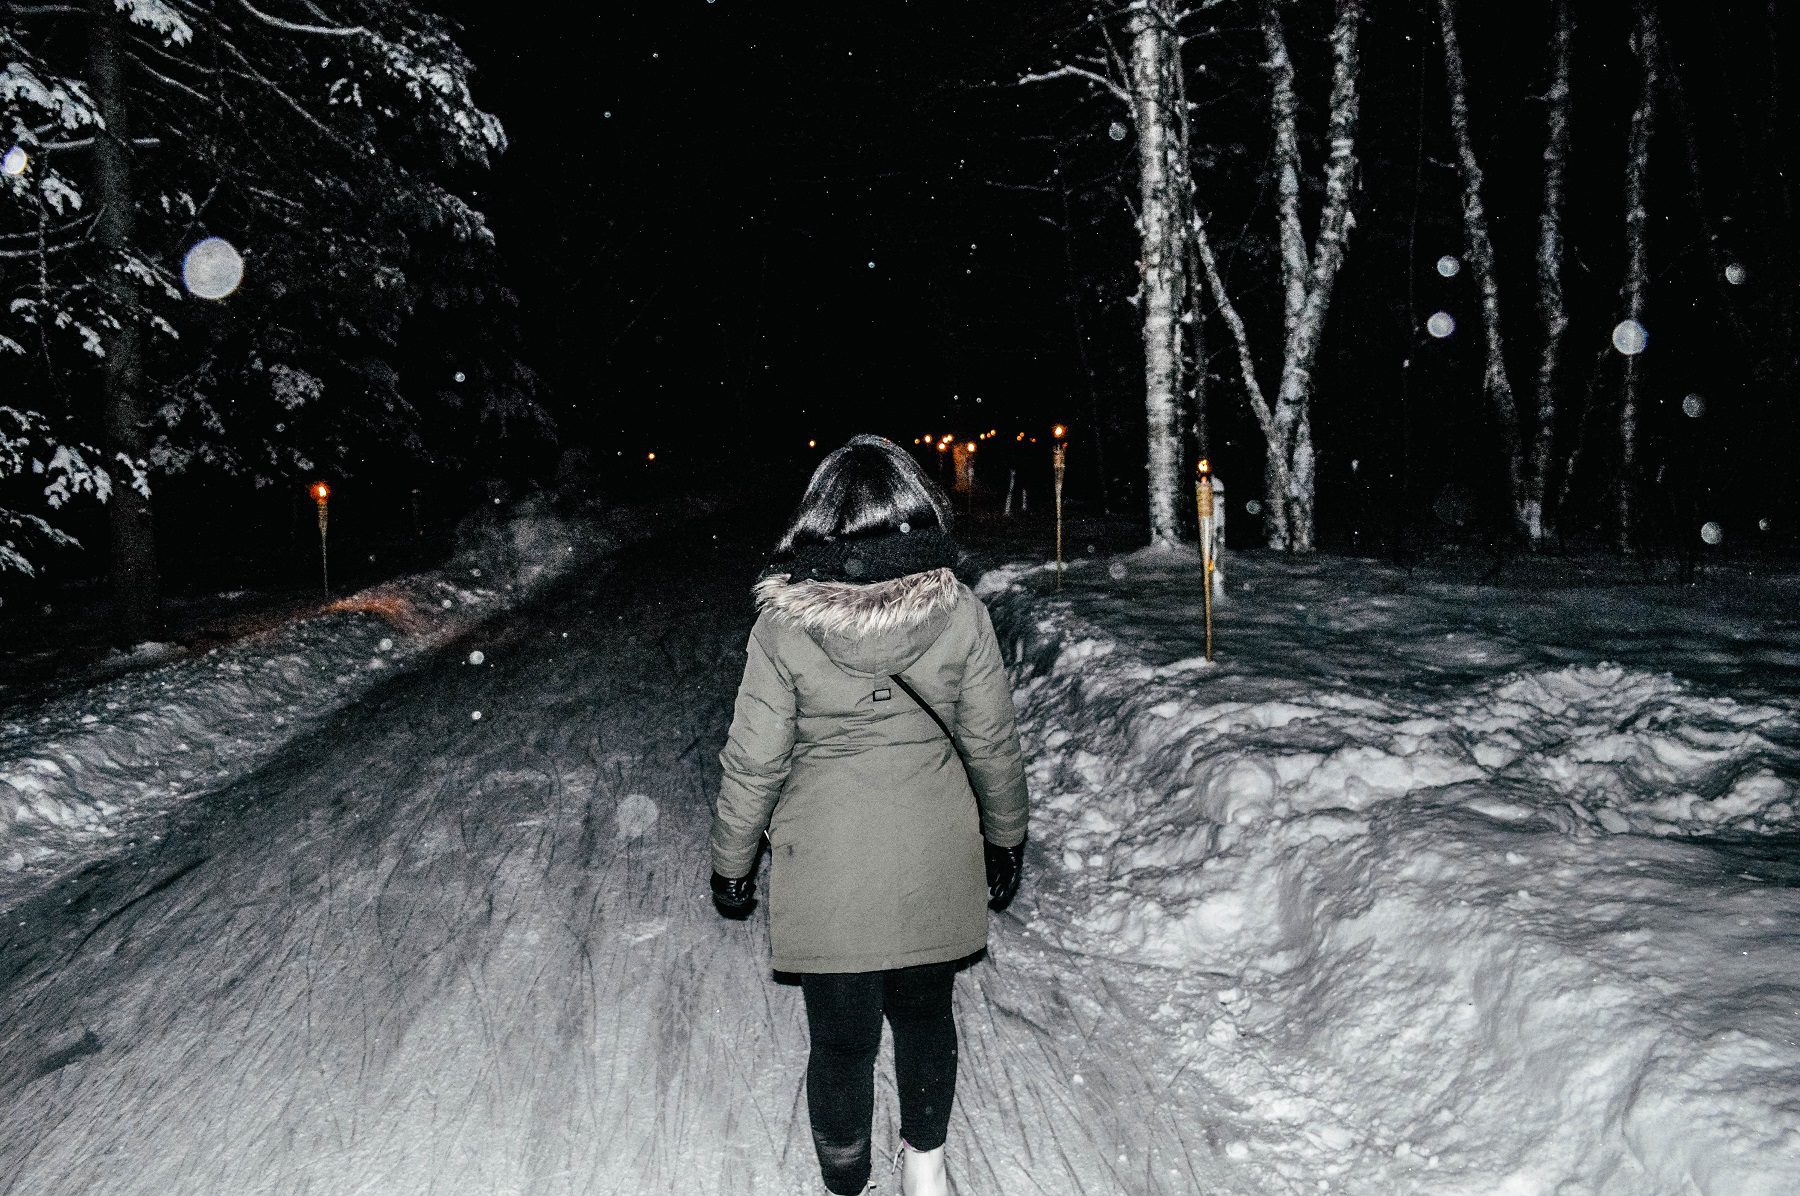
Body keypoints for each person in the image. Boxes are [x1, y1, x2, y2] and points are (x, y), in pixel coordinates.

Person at [710, 434, 1030, 1196]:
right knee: (925, 1019)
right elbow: (992, 740)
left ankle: (846, 1181)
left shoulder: (784, 627)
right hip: (932, 854)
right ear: (915, 509)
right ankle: (925, 1172)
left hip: (828, 867)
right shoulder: (959, 615)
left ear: (818, 520)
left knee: (843, 1043)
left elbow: (754, 758)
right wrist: (1005, 836)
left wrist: (731, 862)